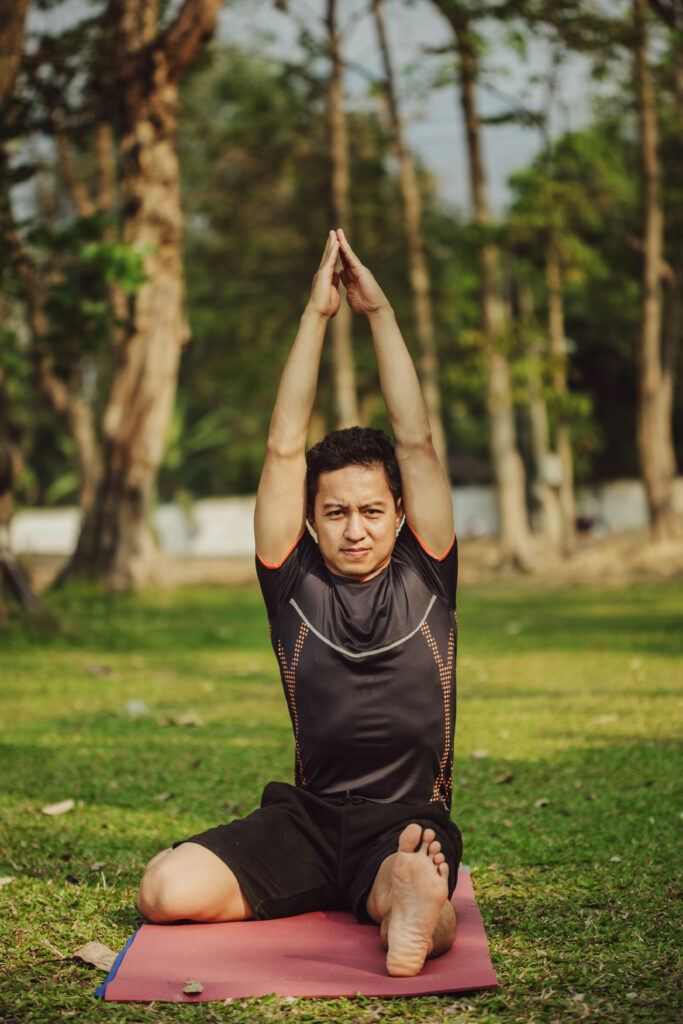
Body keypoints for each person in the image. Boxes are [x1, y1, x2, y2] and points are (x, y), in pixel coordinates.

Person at [137, 230, 461, 978]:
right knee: (166, 888)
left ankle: (411, 901)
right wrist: (315, 318)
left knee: (408, 881)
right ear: (311, 521)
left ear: (401, 514)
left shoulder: (429, 569)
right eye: (336, 513)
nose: (355, 529)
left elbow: (415, 440)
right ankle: (389, 899)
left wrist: (377, 311)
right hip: (305, 819)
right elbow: (284, 447)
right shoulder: (291, 580)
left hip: (406, 822)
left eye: (372, 511)